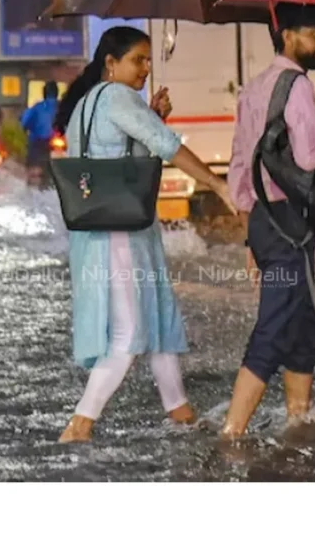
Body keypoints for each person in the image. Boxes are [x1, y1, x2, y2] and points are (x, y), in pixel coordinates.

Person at [54, 26, 238, 443]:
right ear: (111, 64)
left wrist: (152, 115)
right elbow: (167, 146)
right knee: (128, 336)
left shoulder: (86, 103)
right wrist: (217, 184)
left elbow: (125, 154)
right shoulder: (118, 97)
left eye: (148, 60)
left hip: (111, 229)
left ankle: (182, 414)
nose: (146, 69)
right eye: (138, 60)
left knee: (158, 325)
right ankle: (79, 426)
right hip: (119, 232)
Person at [221, 2, 315, 440]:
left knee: (305, 331)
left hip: (266, 221)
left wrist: (251, 239)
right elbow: (310, 157)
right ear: (287, 36)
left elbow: (240, 166)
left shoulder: (255, 87)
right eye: (314, 35)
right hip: (290, 224)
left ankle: (298, 421)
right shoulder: (296, 87)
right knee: (275, 326)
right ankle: (231, 434)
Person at [20, 80, 59, 187]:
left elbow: (25, 121)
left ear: (44, 93)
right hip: (62, 145)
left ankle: (34, 177)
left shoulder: (37, 107)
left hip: (39, 144)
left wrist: (25, 128)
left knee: (33, 171)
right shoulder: (65, 107)